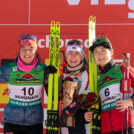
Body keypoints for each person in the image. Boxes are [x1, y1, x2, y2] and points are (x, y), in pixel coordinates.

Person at [0, 34, 56, 134]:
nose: (27, 52)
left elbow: (52, 95)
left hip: (34, 122)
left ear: (35, 51)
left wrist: (50, 79)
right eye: (24, 49)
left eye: (31, 48)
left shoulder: (42, 69)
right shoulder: (9, 69)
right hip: (12, 121)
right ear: (19, 51)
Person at [89, 36, 134, 134]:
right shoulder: (96, 78)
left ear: (111, 52)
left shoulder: (123, 69)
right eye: (96, 52)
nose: (100, 55)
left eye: (103, 51)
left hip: (125, 125)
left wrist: (130, 100)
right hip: (105, 128)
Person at [61, 40, 93, 134]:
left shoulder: (85, 73)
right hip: (64, 118)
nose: (73, 56)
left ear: (82, 57)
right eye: (70, 53)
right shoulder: (61, 73)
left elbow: (82, 98)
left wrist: (67, 111)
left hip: (80, 118)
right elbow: (54, 96)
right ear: (66, 56)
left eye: (77, 53)